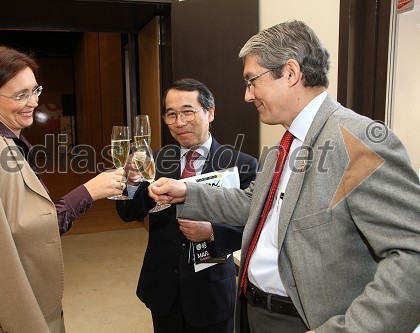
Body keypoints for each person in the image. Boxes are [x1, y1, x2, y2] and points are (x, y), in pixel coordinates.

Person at [149, 20, 420, 333]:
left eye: (252, 81)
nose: (247, 95)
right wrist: (187, 192)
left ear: (290, 73)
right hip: (255, 312)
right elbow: (254, 204)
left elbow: (412, 253)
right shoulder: (283, 147)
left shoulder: (358, 141)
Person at [0, 45, 126, 333]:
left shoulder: (8, 143)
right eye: (20, 95)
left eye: (35, 90)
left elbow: (26, 225)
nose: (33, 102)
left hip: (37, 298)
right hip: (11, 312)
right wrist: (86, 192)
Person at [116, 78, 257, 333]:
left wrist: (214, 232)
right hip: (163, 288)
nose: (179, 123)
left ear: (210, 112)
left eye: (187, 112)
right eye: (171, 115)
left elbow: (255, 226)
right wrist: (131, 182)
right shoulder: (155, 160)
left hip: (211, 290)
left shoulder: (241, 164)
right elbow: (129, 212)